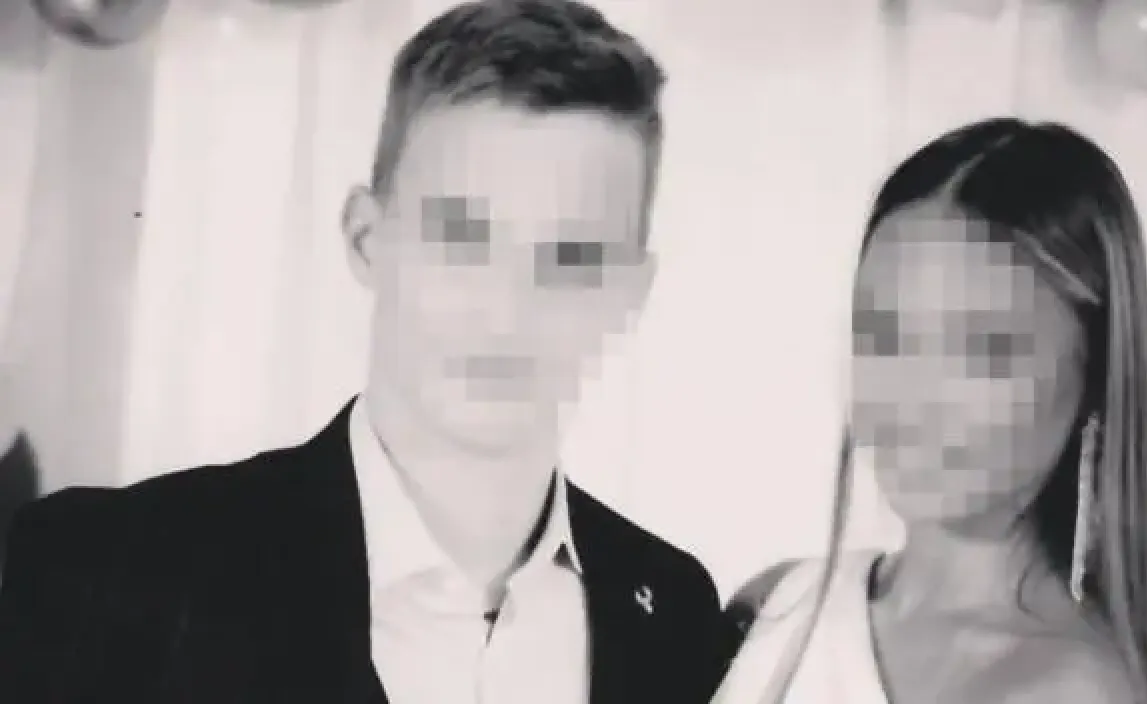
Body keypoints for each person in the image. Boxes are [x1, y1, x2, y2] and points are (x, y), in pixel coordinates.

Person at [0, 2, 735, 703]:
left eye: (571, 256)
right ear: (365, 240)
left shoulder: (677, 617)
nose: (507, 307)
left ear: (630, 291)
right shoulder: (108, 573)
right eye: (463, 238)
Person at [714, 118, 1147, 704]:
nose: (915, 393)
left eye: (983, 348)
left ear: (1094, 379)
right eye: (885, 336)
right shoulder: (775, 606)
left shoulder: (1067, 692)